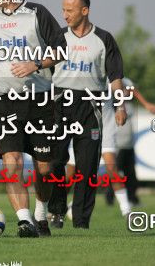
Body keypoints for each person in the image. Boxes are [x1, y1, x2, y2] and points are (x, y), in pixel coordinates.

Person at [0, 0, 66, 237]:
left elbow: (61, 50)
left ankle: (41, 214)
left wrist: (36, 64)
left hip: (39, 100)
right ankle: (24, 221)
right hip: (3, 101)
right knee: (11, 160)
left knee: (44, 166)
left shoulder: (38, 14)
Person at [49, 0, 126, 229]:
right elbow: (43, 73)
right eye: (62, 9)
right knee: (55, 161)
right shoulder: (56, 37)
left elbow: (115, 79)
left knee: (87, 165)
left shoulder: (105, 39)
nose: (64, 15)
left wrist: (120, 105)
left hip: (91, 106)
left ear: (85, 11)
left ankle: (81, 221)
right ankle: (57, 211)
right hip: (59, 103)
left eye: (69, 10)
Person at [49, 97, 131, 228]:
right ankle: (58, 211)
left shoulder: (115, 79)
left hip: (106, 126)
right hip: (83, 125)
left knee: (111, 168)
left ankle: (127, 211)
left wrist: (122, 107)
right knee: (70, 174)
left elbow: (125, 90)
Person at [105, 78, 155, 207]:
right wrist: (146, 104)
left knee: (129, 172)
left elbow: (132, 89)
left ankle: (131, 198)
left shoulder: (126, 90)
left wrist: (146, 104)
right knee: (116, 170)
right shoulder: (110, 88)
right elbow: (129, 89)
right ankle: (111, 198)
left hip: (128, 140)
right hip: (117, 139)